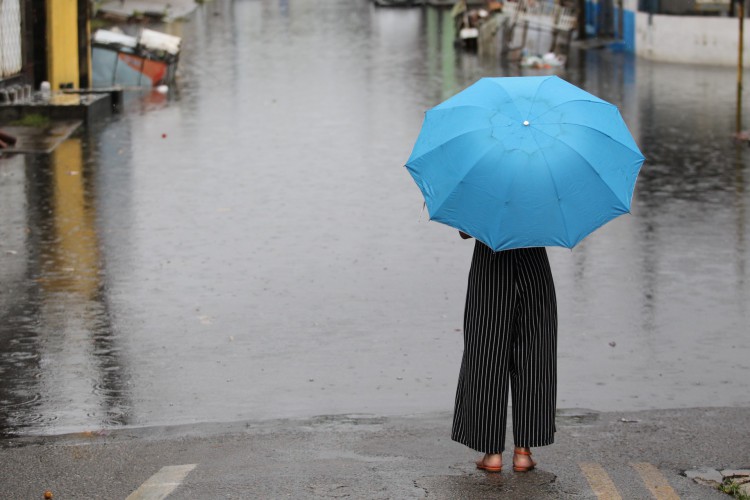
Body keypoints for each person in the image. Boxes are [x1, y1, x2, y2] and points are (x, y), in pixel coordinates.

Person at [452, 231, 557, 473]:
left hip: (490, 267)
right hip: (534, 266)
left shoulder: (481, 191)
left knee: (486, 355)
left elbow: (465, 231)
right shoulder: (540, 191)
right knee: (534, 355)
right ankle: (523, 452)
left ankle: (492, 454)